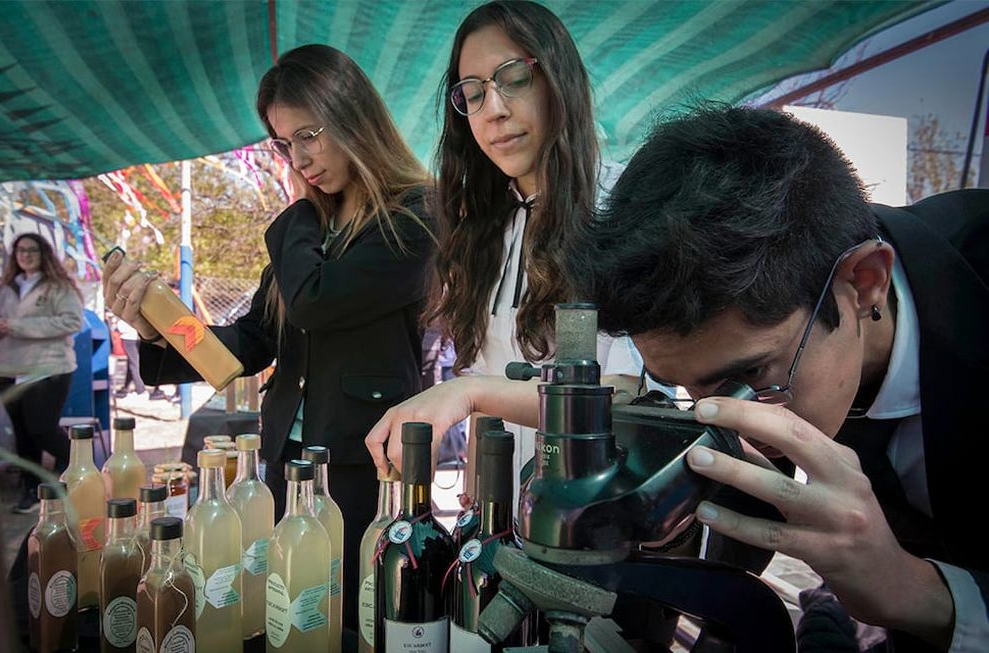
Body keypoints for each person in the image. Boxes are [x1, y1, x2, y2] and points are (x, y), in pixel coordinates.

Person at [564, 104, 988, 651]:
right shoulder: (800, 348)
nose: (734, 422)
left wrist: (918, 593)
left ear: (863, 284)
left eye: (748, 379)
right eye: (688, 389)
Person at [103, 44, 435, 633]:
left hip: (368, 462)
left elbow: (316, 301)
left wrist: (299, 216)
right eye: (284, 144)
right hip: (286, 459)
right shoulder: (310, 232)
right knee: (286, 611)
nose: (298, 158)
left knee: (355, 619)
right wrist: (157, 328)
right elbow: (252, 340)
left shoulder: (412, 213)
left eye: (309, 134)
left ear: (354, 118)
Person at [365, 0, 640, 484]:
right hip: (509, 521)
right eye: (472, 93)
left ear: (560, 80)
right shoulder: (482, 231)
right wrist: (475, 503)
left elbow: (627, 391)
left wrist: (465, 395)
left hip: (595, 517)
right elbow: (483, 384)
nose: (493, 110)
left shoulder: (621, 206)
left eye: (514, 78)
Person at [0, 233, 84, 513]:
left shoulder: (58, 287)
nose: (25, 255)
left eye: (32, 250)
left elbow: (71, 321)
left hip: (48, 368)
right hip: (10, 368)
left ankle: (83, 468)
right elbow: (0, 327)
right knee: (22, 436)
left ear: (44, 253)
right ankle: (33, 492)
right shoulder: (7, 288)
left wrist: (18, 326)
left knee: (42, 429)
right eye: (20, 250)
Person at [113, 316, 146, 397]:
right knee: (133, 362)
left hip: (129, 336)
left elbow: (121, 323)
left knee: (133, 364)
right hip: (136, 336)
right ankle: (126, 386)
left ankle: (140, 389)